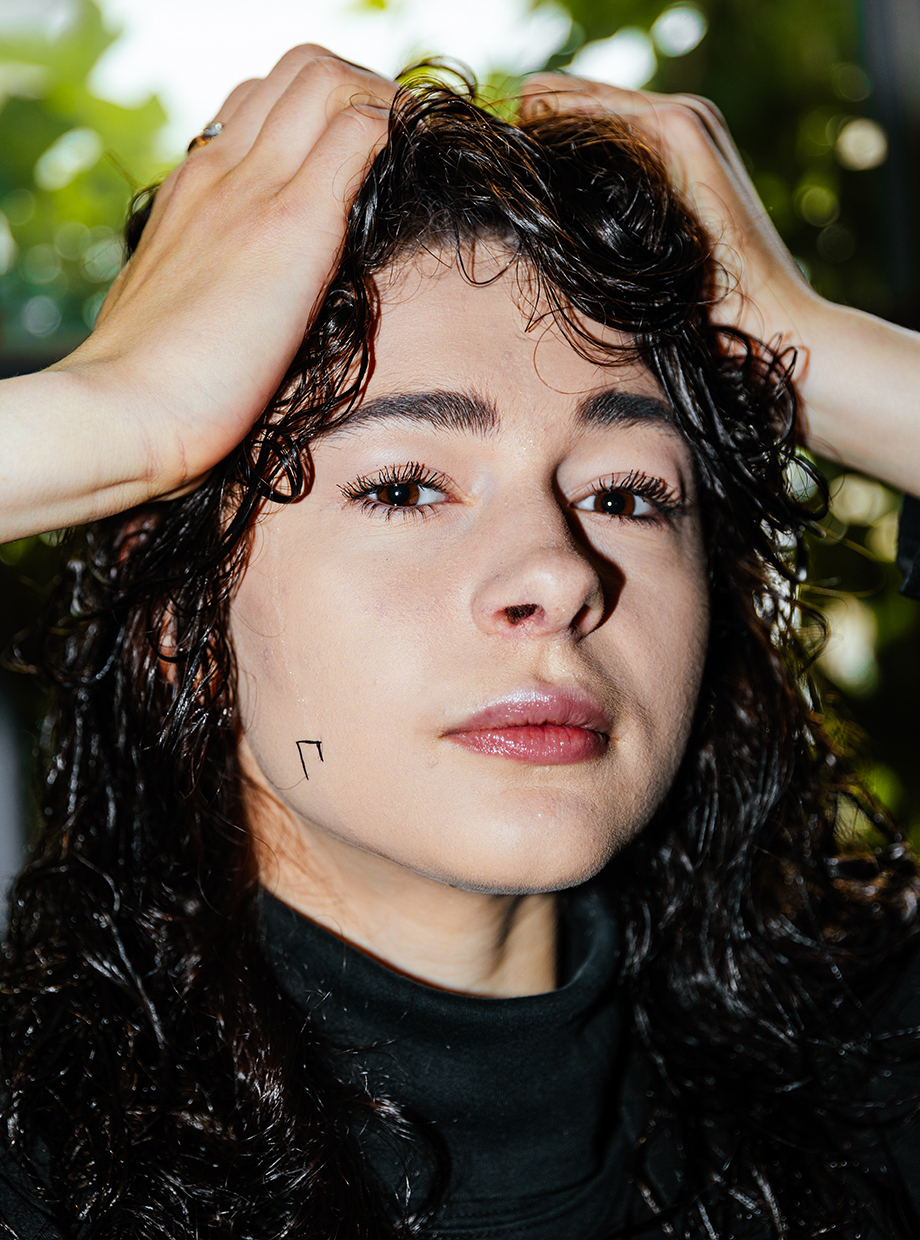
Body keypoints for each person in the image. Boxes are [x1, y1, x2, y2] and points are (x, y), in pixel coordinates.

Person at [0, 44, 918, 1240]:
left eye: (626, 494)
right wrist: (116, 415)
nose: (555, 574)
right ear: (180, 614)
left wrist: (819, 354)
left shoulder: (873, 1083)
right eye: (402, 487)